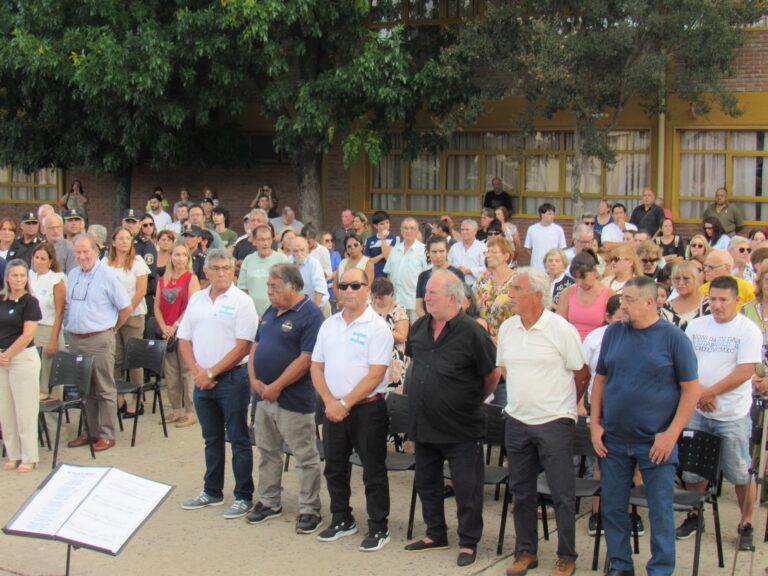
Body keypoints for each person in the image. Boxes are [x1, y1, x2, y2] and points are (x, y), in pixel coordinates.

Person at [590, 276, 700, 576]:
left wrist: (671, 434)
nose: (621, 305)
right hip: (612, 439)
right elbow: (600, 380)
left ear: (650, 302)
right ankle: (620, 564)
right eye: (621, 299)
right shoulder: (614, 333)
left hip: (655, 443)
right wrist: (594, 423)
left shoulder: (673, 338)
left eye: (628, 300)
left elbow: (691, 390)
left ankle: (661, 569)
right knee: (612, 507)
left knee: (661, 510)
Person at [404, 270, 499, 568]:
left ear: (453, 298)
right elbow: (414, 365)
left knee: (466, 487)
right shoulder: (419, 327)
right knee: (427, 482)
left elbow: (492, 373)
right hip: (425, 423)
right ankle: (435, 533)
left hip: (461, 425)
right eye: (426, 292)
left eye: (433, 292)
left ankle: (468, 542)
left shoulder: (473, 332)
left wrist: (467, 399)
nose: (427, 297)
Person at [498, 267, 589, 576]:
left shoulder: (560, 329)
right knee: (521, 492)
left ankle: (567, 556)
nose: (510, 295)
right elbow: (505, 369)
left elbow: (581, 371)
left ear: (537, 295)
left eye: (517, 290)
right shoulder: (508, 328)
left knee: (561, 493)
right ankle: (526, 552)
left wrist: (564, 406)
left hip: (554, 422)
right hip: (517, 420)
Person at [310, 267, 393, 552]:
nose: (347, 291)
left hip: (367, 410)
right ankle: (342, 518)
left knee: (373, 470)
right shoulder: (329, 324)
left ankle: (379, 526)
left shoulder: (377, 327)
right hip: (332, 409)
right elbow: (316, 367)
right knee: (334, 467)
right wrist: (330, 402)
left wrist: (345, 404)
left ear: (367, 289)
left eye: (354, 285)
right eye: (343, 286)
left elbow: (375, 374)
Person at [677, 276, 761, 550]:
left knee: (738, 471)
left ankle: (746, 522)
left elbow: (745, 370)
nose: (716, 305)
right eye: (712, 299)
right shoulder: (697, 326)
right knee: (693, 468)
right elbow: (685, 362)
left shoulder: (748, 330)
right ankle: (694, 514)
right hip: (697, 407)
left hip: (731, 413)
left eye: (723, 300)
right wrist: (700, 393)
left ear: (737, 300)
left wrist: (710, 392)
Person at [178, 249, 259, 519]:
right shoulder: (197, 300)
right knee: (210, 438)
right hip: (202, 380)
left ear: (233, 270)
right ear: (206, 272)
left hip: (232, 379)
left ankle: (243, 495)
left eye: (226, 267)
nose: (222, 272)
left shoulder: (242, 301)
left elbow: (243, 346)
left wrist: (212, 373)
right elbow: (184, 339)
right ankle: (211, 491)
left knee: (238, 438)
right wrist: (198, 371)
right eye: (216, 268)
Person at [245, 264, 325, 533]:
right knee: (268, 451)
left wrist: (277, 386)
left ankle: (309, 509)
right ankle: (269, 501)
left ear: (293, 286)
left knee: (304, 456)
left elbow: (307, 358)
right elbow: (256, 345)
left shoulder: (311, 315)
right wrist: (254, 378)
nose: (268, 291)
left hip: (293, 399)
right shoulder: (270, 311)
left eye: (274, 287)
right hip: (263, 397)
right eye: (268, 286)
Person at [65, 234, 132, 453]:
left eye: (86, 251)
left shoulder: (107, 276)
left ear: (96, 251)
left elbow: (125, 308)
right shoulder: (73, 274)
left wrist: (112, 329)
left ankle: (107, 434)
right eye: (78, 252)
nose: (82, 256)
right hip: (76, 339)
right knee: (85, 389)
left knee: (104, 388)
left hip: (99, 338)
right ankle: (89, 431)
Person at [0, 259, 42, 472]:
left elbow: (28, 335)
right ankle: (13, 454)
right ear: (7, 277)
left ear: (27, 278)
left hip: (22, 359)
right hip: (2, 360)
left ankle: (29, 456)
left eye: (22, 275)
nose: (18, 279)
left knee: (25, 410)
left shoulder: (30, 302)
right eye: (14, 275)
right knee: (6, 410)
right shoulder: (2, 299)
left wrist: (7, 354)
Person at [105, 226, 151, 418]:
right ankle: (119, 397)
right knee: (115, 358)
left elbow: (141, 291)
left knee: (134, 360)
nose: (125, 241)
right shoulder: (105, 264)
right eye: (121, 238)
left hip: (133, 316)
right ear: (113, 242)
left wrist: (127, 310)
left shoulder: (138, 262)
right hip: (112, 317)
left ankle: (136, 399)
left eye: (128, 238)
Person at [154, 242, 200, 428]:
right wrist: (163, 326)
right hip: (167, 334)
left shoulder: (191, 278)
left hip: (184, 332)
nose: (180, 258)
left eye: (183, 255)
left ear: (188, 258)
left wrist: (175, 325)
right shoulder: (163, 279)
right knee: (171, 373)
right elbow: (156, 305)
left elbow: (192, 304)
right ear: (170, 257)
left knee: (187, 372)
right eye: (176, 254)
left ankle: (191, 411)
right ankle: (176, 410)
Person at [29, 243, 66, 398]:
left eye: (43, 258)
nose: (38, 261)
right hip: (30, 329)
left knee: (47, 374)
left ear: (50, 261)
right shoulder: (28, 276)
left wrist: (53, 339)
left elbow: (59, 313)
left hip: (48, 328)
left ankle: (52, 420)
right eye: (36, 257)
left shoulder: (56, 279)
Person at [557, 250, 614, 341]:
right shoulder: (567, 293)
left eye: (583, 278)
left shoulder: (609, 294)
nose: (579, 283)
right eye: (576, 278)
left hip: (597, 345)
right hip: (571, 343)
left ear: (594, 271)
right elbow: (559, 325)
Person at [237, 225, 290, 316]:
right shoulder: (248, 260)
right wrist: (250, 313)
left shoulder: (282, 259)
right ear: (254, 241)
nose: (265, 243)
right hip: (252, 314)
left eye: (268, 239)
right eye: (261, 240)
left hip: (277, 313)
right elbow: (243, 289)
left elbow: (289, 288)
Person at [384, 217, 428, 324]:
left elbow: (428, 278)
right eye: (405, 228)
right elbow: (389, 275)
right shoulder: (395, 249)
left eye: (412, 228)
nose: (408, 231)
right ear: (401, 230)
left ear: (417, 231)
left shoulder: (424, 250)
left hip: (414, 304)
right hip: (395, 302)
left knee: (414, 335)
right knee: (397, 336)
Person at [370, 277, 409, 394]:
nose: (376, 301)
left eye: (381, 298)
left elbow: (402, 337)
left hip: (393, 359)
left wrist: (382, 328)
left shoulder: (399, 310)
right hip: (372, 355)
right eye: (374, 297)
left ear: (391, 294)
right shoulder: (368, 308)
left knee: (392, 395)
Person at [415, 235, 465, 317]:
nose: (438, 256)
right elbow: (419, 305)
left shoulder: (457, 274)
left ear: (447, 252)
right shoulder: (423, 276)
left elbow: (462, 303)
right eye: (434, 252)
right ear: (428, 253)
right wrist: (427, 323)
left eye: (441, 251)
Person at [660, 261, 710, 331]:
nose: (681, 282)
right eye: (677, 278)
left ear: (696, 279)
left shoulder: (708, 304)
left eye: (686, 279)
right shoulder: (666, 306)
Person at [291, 236, 330, 317]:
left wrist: (313, 311)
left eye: (302, 250)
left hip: (319, 306)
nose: (299, 254)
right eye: (296, 251)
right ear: (291, 251)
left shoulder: (314, 263)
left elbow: (320, 289)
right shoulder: (288, 262)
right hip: (298, 308)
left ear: (307, 249)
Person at [333, 233, 374, 306]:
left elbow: (368, 286)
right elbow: (335, 285)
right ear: (346, 250)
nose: (352, 247)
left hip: (362, 305)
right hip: (343, 304)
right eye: (349, 246)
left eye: (356, 245)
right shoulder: (342, 263)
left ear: (362, 246)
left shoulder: (367, 262)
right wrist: (340, 301)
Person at [524, 203, 566, 272]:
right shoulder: (532, 229)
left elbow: (562, 249)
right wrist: (535, 258)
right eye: (549, 214)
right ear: (542, 215)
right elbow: (527, 248)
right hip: (536, 268)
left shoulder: (558, 229)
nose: (552, 216)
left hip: (552, 268)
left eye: (553, 214)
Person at [448, 220, 487, 286]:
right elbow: (448, 264)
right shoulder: (454, 247)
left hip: (475, 285)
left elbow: (486, 268)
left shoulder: (482, 247)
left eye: (467, 230)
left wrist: (469, 271)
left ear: (475, 231)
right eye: (462, 230)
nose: (464, 232)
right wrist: (457, 269)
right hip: (456, 285)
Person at [363, 210, 398, 278]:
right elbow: (367, 262)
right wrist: (383, 254)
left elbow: (388, 257)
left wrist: (383, 239)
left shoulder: (395, 238)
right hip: (373, 276)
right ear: (376, 226)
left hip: (388, 276)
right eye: (382, 224)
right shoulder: (369, 240)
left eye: (387, 222)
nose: (386, 226)